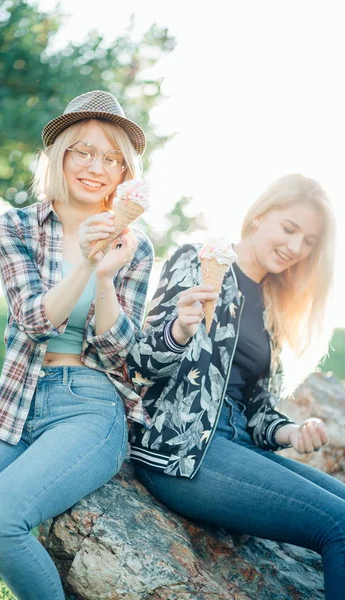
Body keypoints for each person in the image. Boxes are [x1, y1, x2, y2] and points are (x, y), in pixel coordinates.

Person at [0, 90, 153, 600]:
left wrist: (104, 278)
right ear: (59, 154)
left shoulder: (135, 244)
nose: (96, 166)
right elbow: (33, 319)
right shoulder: (15, 226)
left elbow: (124, 355)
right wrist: (84, 260)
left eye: (112, 158)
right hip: (18, 399)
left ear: (125, 172)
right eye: (83, 151)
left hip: (90, 404)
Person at [128, 173, 344, 600]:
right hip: (182, 450)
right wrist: (178, 329)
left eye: (309, 241)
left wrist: (291, 432)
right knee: (337, 525)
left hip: (238, 444)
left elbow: (257, 407)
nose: (296, 247)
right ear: (260, 215)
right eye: (290, 229)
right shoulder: (199, 259)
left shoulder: (274, 302)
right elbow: (141, 364)